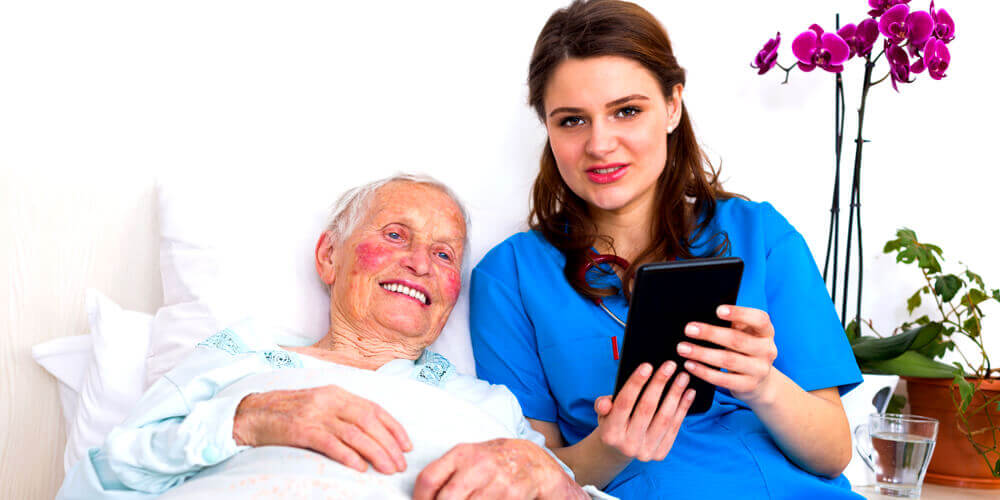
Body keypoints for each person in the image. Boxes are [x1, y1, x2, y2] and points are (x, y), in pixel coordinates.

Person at [469, 1, 864, 498]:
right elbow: (531, 475)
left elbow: (833, 453)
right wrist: (613, 445)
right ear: (547, 127)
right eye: (572, 120)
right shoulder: (510, 277)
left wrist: (763, 385)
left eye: (627, 111)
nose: (600, 144)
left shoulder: (762, 235)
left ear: (673, 106)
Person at [57, 174, 609, 500]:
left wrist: (553, 483)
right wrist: (248, 420)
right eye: (395, 235)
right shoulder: (242, 359)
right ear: (328, 257)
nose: (419, 263)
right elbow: (92, 484)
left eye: (444, 254)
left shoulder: (488, 405)